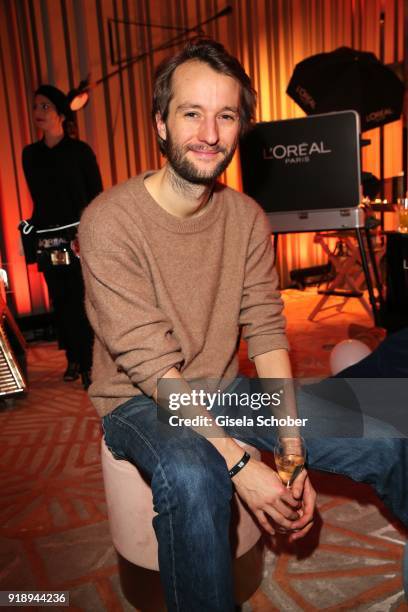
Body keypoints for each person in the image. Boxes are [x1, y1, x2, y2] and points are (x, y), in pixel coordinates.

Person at [79, 40, 407, 611]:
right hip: (139, 398)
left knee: (383, 432)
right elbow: (152, 369)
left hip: (224, 389)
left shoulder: (247, 218)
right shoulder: (109, 220)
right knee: (195, 474)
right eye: (191, 113)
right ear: (160, 123)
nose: (210, 132)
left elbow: (268, 332)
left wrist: (291, 447)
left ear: (239, 127)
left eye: (225, 115)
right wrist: (240, 466)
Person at [22, 85, 103, 389]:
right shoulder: (30, 155)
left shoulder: (80, 151)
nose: (38, 113)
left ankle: (90, 361)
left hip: (79, 237)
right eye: (35, 107)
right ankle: (74, 357)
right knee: (60, 299)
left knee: (83, 298)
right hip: (48, 238)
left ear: (60, 113)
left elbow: (95, 195)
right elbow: (40, 199)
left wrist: (90, 232)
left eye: (45, 107)